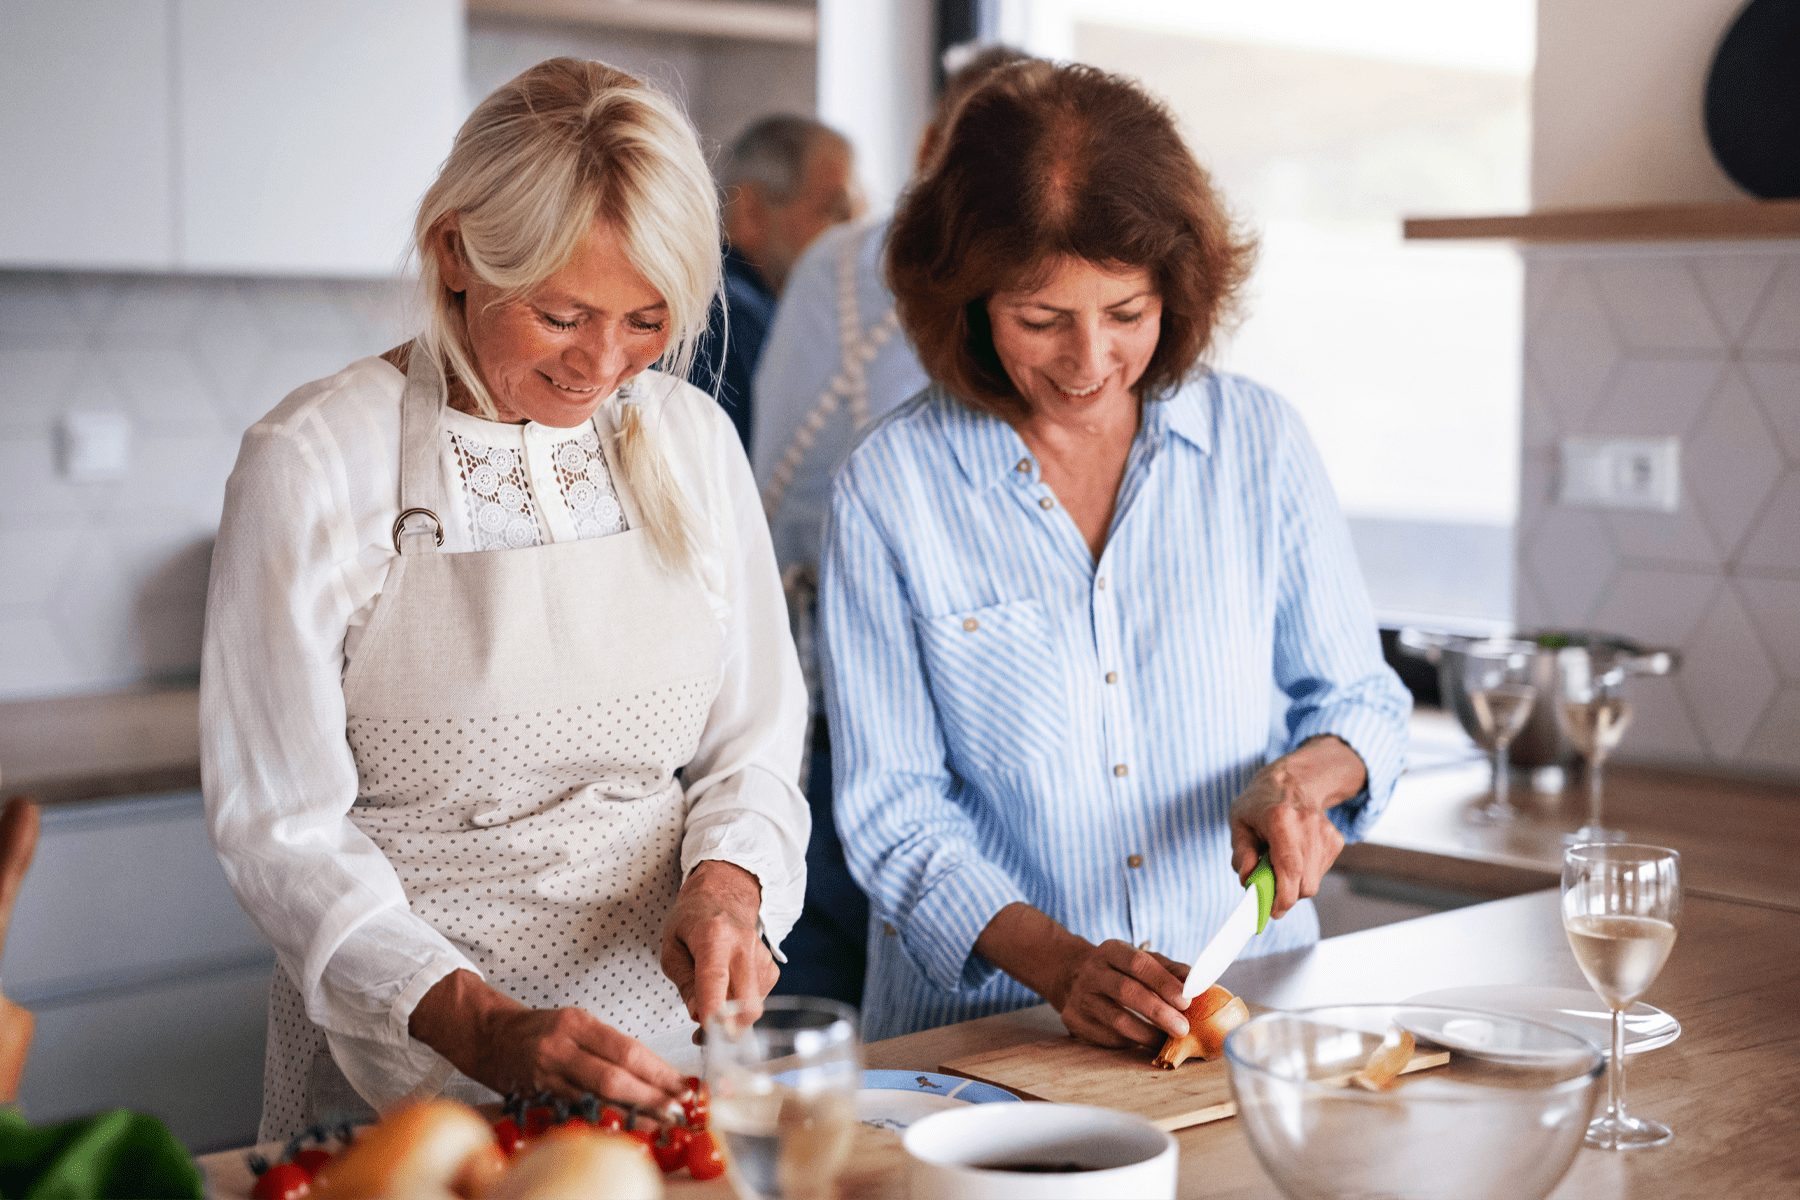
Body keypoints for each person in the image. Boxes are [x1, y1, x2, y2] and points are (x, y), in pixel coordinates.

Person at [201, 58, 808, 1141]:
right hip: (407, 1070)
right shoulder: (312, 460)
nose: (604, 366)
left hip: (665, 1065)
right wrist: (480, 1027)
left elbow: (755, 742)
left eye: (647, 320)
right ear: (455, 254)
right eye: (563, 315)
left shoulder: (692, 443)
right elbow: (280, 831)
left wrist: (729, 883)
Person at [819, 61, 1411, 1043]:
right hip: (985, 1041)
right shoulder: (893, 489)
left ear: (1177, 291)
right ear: (966, 302)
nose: (1088, 363)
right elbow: (894, 812)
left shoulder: (1258, 447)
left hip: (1233, 1023)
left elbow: (1362, 699)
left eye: (1126, 315)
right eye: (1040, 320)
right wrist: (1061, 967)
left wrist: (1307, 781)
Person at [752, 45, 1031, 1008]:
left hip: (809, 691)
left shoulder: (836, 259)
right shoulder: (962, 281)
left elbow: (774, 474)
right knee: (867, 1001)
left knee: (817, 1005)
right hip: (896, 708)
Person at [687, 115, 862, 452]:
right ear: (752, 211)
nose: (852, 233)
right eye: (834, 211)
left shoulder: (764, 309)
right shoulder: (726, 320)